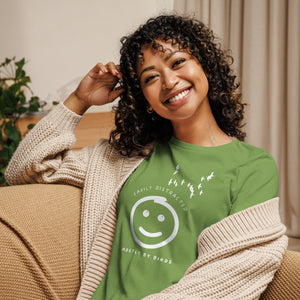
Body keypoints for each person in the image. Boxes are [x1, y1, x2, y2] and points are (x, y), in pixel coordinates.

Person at [5, 14, 287, 299]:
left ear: (205, 65)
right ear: (145, 99)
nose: (168, 81)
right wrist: (80, 100)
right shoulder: (126, 158)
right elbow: (26, 169)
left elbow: (235, 270)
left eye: (178, 62)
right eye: (151, 77)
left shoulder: (252, 166)